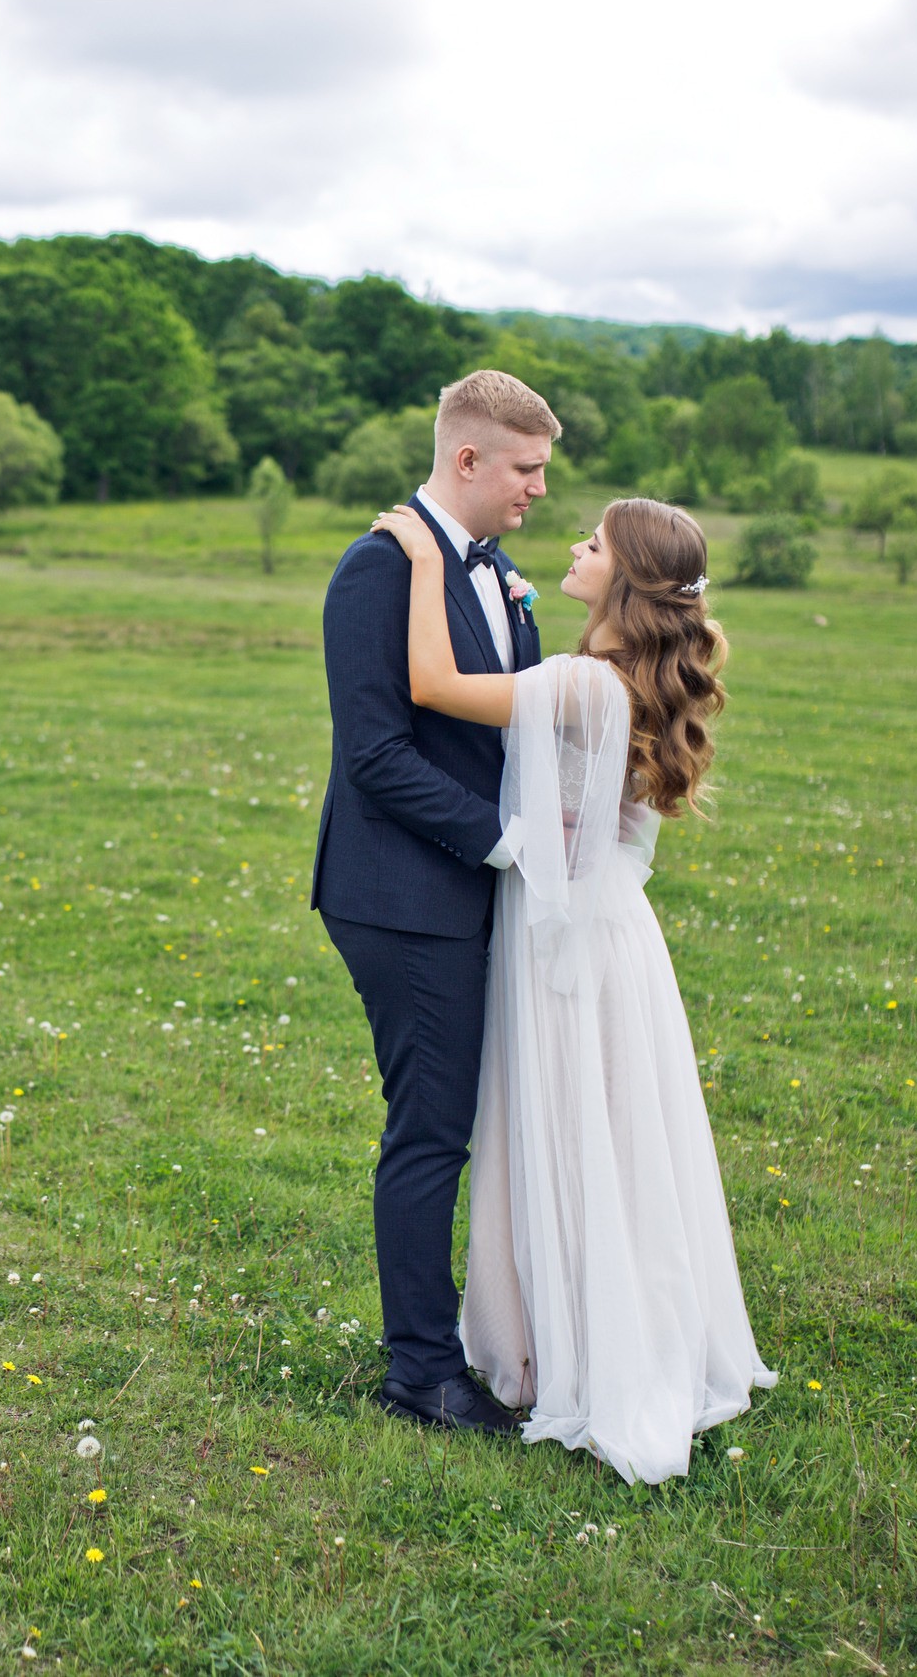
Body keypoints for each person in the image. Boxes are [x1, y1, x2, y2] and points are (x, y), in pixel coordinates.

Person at [365, 492, 776, 1484]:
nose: (571, 548)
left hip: (569, 948)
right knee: (602, 1135)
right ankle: (560, 1334)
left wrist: (422, 551)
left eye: (591, 543)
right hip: (607, 932)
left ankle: (582, 1355)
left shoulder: (588, 687)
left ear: (624, 578)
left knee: (571, 1134)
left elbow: (428, 682)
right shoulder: (613, 681)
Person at [310, 369, 555, 1437]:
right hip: (404, 894)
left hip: (464, 882)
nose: (540, 490)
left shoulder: (493, 572)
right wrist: (507, 845)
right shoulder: (376, 570)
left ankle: (483, 1335)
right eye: (526, 469)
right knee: (430, 1132)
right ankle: (420, 1374)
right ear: (467, 460)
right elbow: (375, 757)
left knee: (458, 1120)